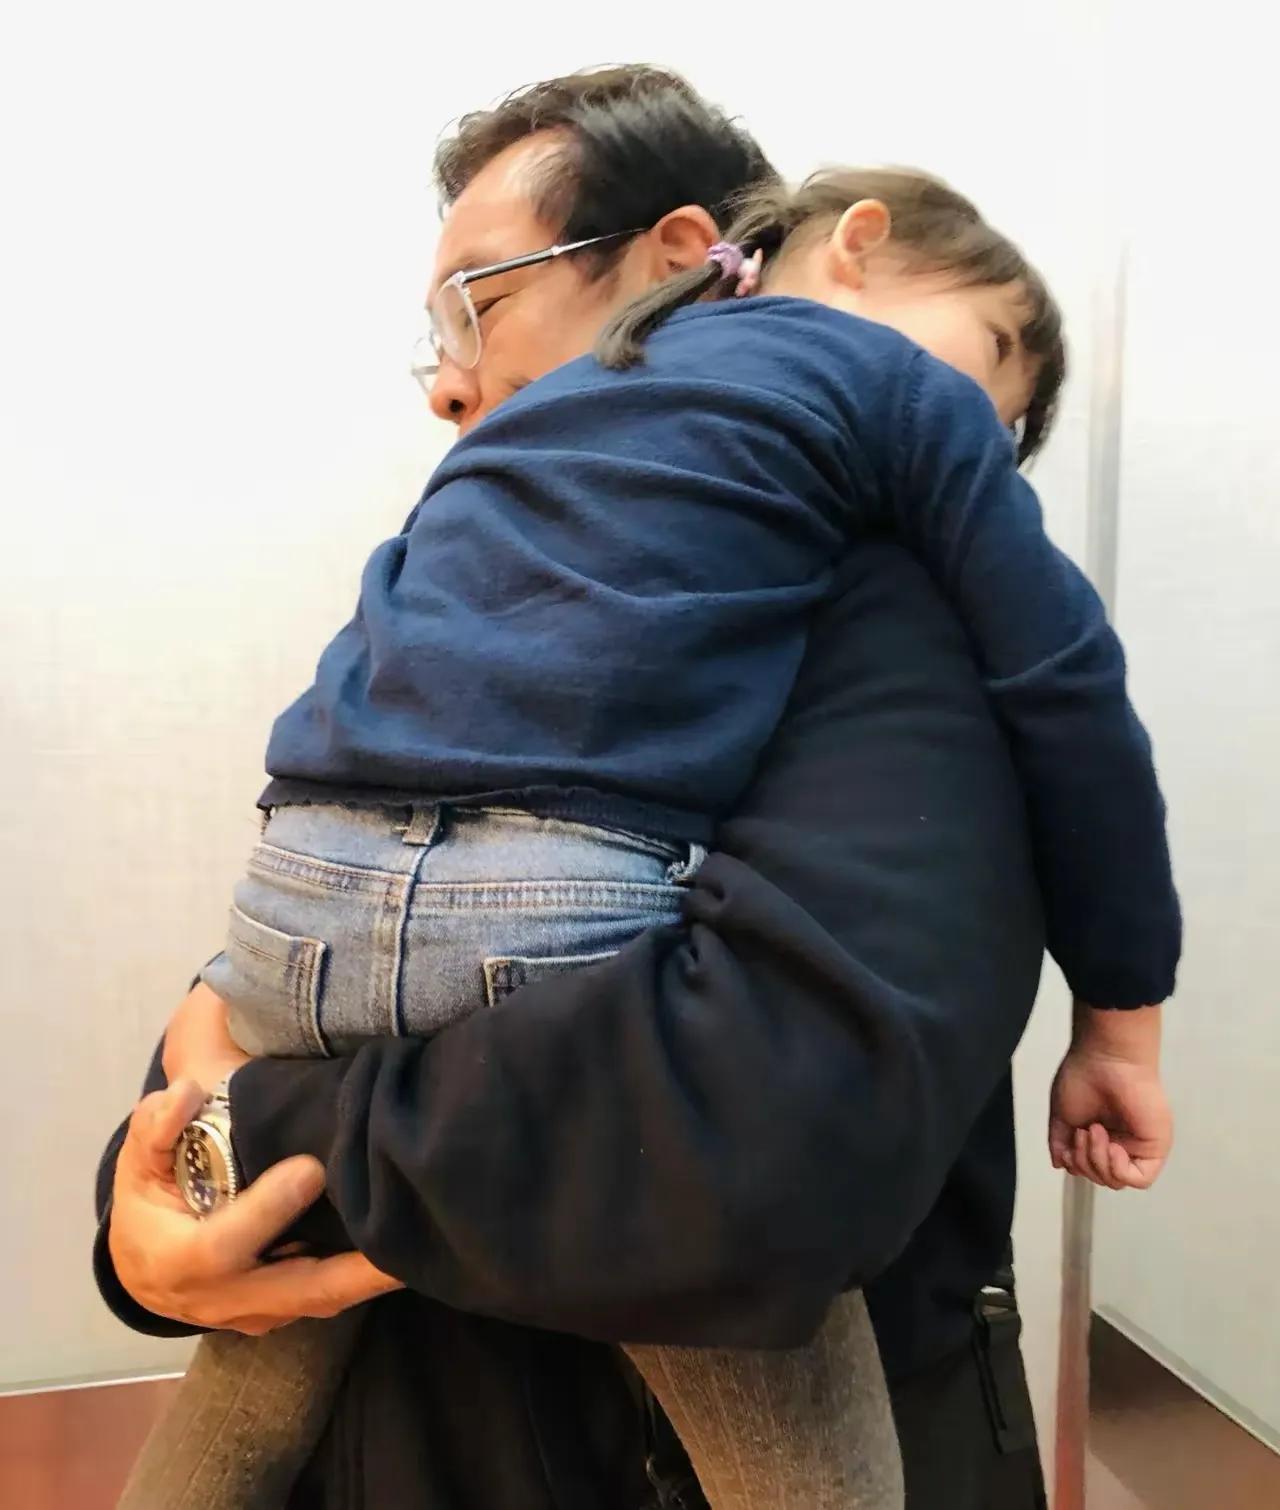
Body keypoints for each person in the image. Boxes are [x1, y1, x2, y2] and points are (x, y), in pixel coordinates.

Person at [97, 67, 1175, 1510]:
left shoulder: (904, 626)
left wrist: (232, 1127)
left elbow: (742, 1149)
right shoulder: (540, 512)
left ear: (679, 257)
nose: (449, 379)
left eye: (479, 302)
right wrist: (149, 1226)